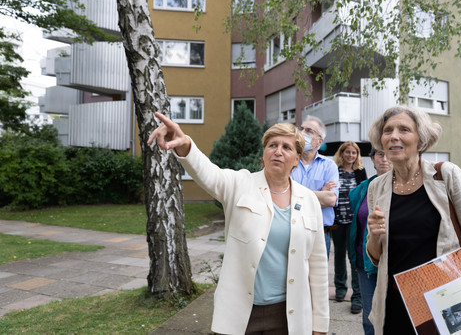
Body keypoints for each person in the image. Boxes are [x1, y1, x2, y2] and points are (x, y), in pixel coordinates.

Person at [147, 112, 329, 335]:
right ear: (263, 153)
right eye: (272, 145)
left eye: (287, 147)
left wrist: (320, 325)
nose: (278, 151)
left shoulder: (308, 199)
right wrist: (185, 145)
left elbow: (318, 265)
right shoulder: (240, 183)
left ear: (297, 159)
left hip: (288, 315)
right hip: (241, 313)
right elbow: (209, 173)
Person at [365, 105, 461, 335]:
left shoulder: (445, 175)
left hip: (446, 304)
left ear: (420, 140)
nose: (394, 136)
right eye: (388, 130)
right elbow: (377, 258)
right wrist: (375, 236)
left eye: (404, 130)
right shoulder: (376, 187)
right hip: (395, 306)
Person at [348, 147, 392, 335]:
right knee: (369, 320)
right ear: (372, 159)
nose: (384, 159)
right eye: (379, 154)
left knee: (393, 318)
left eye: (389, 153)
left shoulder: (405, 187)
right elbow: (355, 225)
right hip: (365, 264)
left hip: (393, 264)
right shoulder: (360, 190)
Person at [291, 115, 339, 258]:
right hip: (292, 232)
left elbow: (331, 200)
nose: (302, 133)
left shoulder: (329, 165)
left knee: (318, 279)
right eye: (301, 129)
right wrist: (320, 193)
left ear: (319, 141)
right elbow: (283, 195)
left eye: (309, 131)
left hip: (320, 234)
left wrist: (296, 193)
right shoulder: (289, 162)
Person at [331, 141, 367, 313]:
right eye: (348, 152)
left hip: (354, 222)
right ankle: (340, 289)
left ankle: (357, 297)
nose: (351, 155)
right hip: (338, 220)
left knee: (354, 257)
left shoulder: (360, 172)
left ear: (357, 155)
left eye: (354, 153)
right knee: (339, 254)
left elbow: (365, 195)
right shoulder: (334, 171)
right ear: (342, 153)